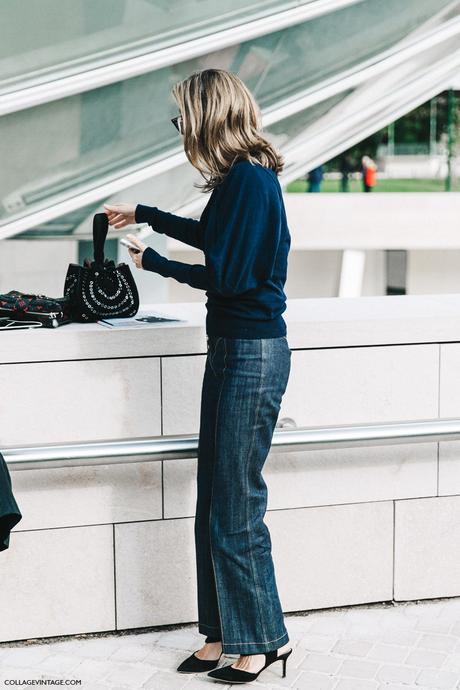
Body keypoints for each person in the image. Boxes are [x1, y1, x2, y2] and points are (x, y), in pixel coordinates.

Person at [103, 68, 293, 684]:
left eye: (183, 114)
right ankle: (220, 633)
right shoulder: (239, 181)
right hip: (232, 349)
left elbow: (230, 276)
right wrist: (147, 215)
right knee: (213, 498)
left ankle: (262, 638)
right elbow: (213, 237)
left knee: (236, 503)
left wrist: (152, 261)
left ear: (209, 115)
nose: (179, 125)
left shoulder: (253, 182)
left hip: (251, 353)